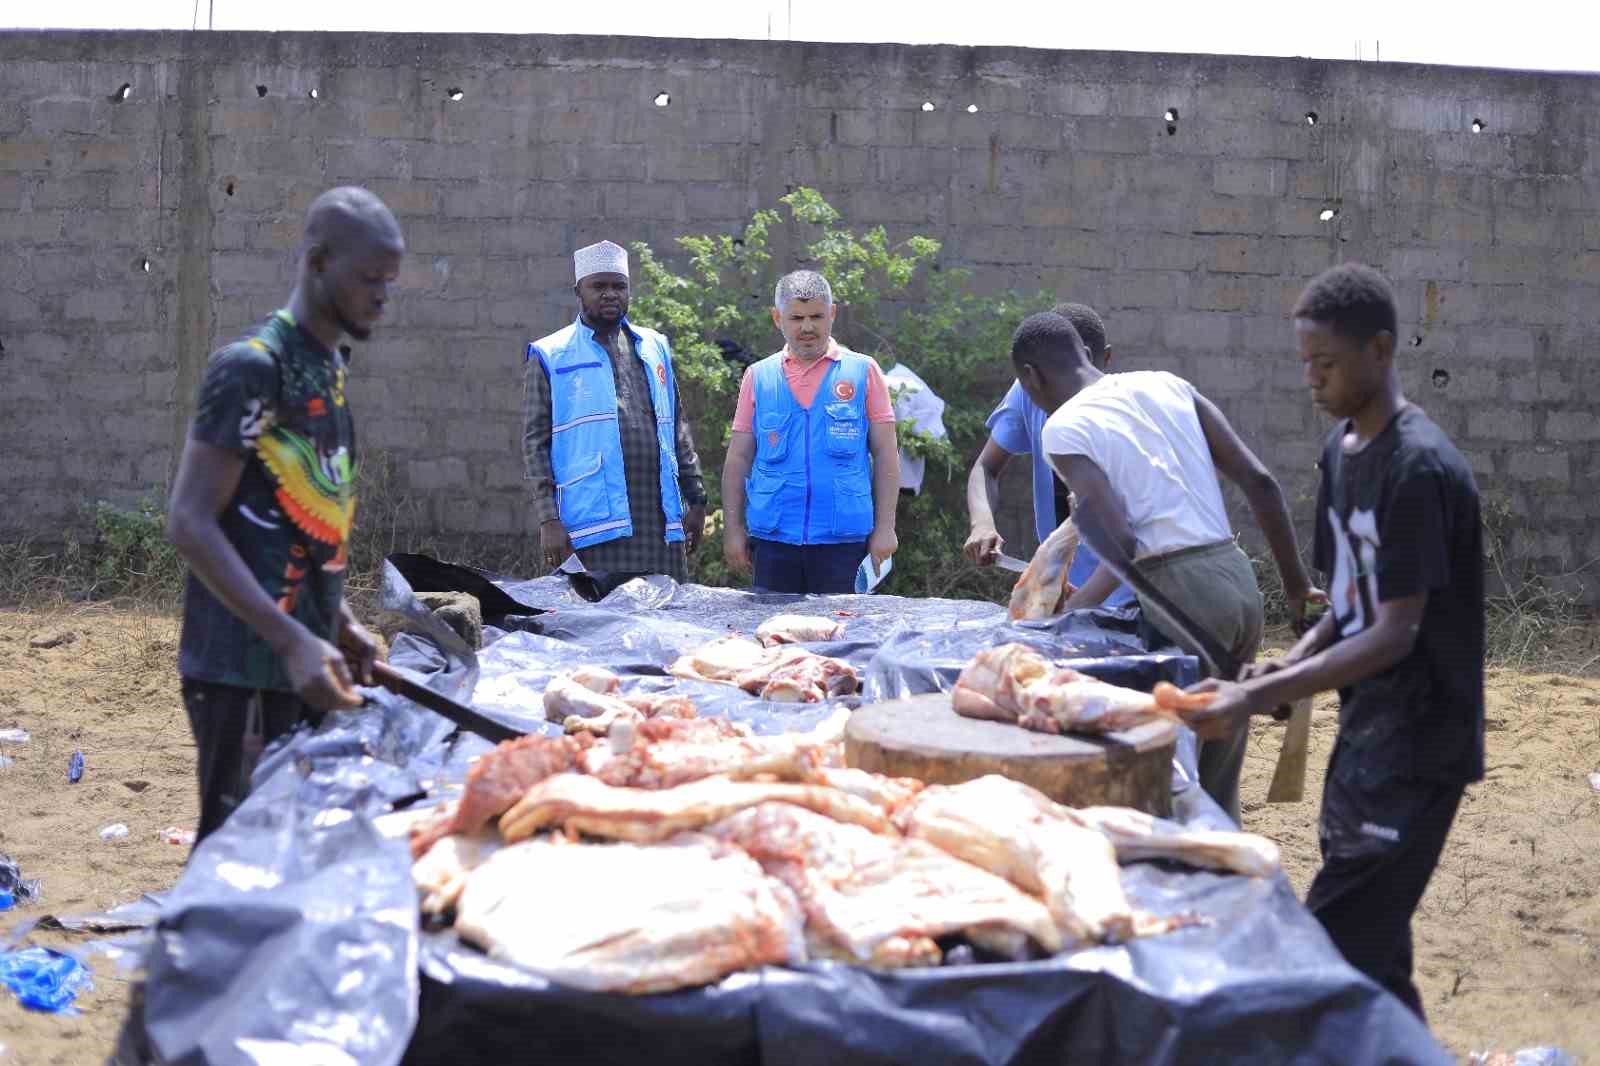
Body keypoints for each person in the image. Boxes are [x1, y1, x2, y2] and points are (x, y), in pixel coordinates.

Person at [1179, 264, 1483, 1021]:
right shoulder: (1341, 452)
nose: (1312, 379)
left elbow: (1394, 629)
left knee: (1334, 948)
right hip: (1368, 732)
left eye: (1328, 363)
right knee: (1376, 956)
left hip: (1421, 742)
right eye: (1305, 363)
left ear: (1380, 351)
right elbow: (1347, 602)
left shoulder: (1418, 469)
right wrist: (1297, 656)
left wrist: (1261, 692)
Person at [1013, 311, 1318, 823]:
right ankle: (1227, 885)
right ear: (1087, 355)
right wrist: (1297, 588)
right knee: (1216, 773)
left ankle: (1184, 890)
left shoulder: (1063, 428)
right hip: (1239, 583)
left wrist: (1077, 540)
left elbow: (1124, 539)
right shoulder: (1168, 385)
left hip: (1182, 599)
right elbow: (1261, 481)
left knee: (1167, 779)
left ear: (1030, 377)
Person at [166, 186, 402, 843]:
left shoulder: (326, 371)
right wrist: (291, 636)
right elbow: (189, 521)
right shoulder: (252, 370)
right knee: (235, 861)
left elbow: (301, 524)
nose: (383, 296)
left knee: (287, 859)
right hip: (240, 670)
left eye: (391, 281)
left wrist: (337, 623)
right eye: (369, 279)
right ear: (319, 262)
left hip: (301, 667)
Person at [522, 240, 708, 596]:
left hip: (658, 521)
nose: (610, 294)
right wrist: (548, 518)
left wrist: (696, 500)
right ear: (578, 291)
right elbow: (535, 444)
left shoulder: (654, 347)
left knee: (667, 622)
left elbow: (677, 428)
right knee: (598, 628)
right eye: (599, 286)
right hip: (591, 525)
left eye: (618, 286)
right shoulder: (551, 354)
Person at [721, 270, 899, 594]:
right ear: (778, 318)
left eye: (817, 316)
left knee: (842, 638)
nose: (807, 327)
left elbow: (886, 453)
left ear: (832, 314)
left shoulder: (863, 371)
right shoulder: (758, 377)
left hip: (844, 542)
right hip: (774, 541)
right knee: (777, 638)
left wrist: (886, 527)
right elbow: (738, 457)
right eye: (796, 317)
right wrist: (732, 529)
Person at [964, 301, 1134, 607]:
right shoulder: (1031, 392)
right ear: (1036, 377)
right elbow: (985, 468)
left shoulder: (1122, 412)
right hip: (1059, 586)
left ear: (1102, 358)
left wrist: (1079, 605)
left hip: (1128, 594)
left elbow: (1132, 545)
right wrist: (982, 523)